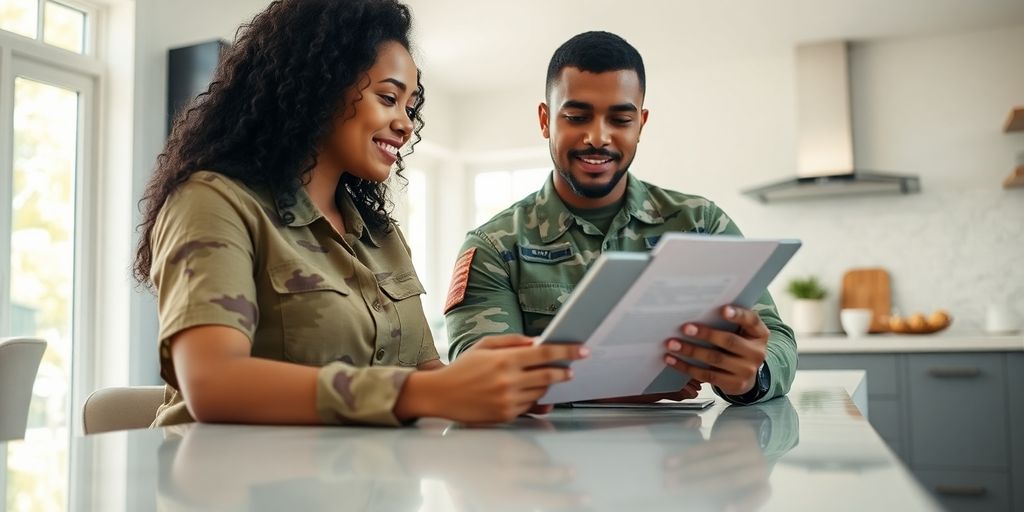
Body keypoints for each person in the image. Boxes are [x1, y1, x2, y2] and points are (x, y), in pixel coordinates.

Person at [134, 0, 586, 428]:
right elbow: (214, 384)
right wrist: (420, 393)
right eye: (388, 99)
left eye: (410, 106)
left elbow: (427, 372)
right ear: (320, 86)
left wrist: (503, 384)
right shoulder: (215, 202)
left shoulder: (379, 233)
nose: (407, 123)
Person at [444, 31, 796, 405]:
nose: (598, 137)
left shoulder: (701, 224)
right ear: (546, 120)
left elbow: (775, 337)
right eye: (577, 117)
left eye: (620, 119)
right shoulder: (494, 246)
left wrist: (751, 375)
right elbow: (479, 379)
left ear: (641, 124)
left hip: (681, 458)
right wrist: (618, 389)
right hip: (544, 460)